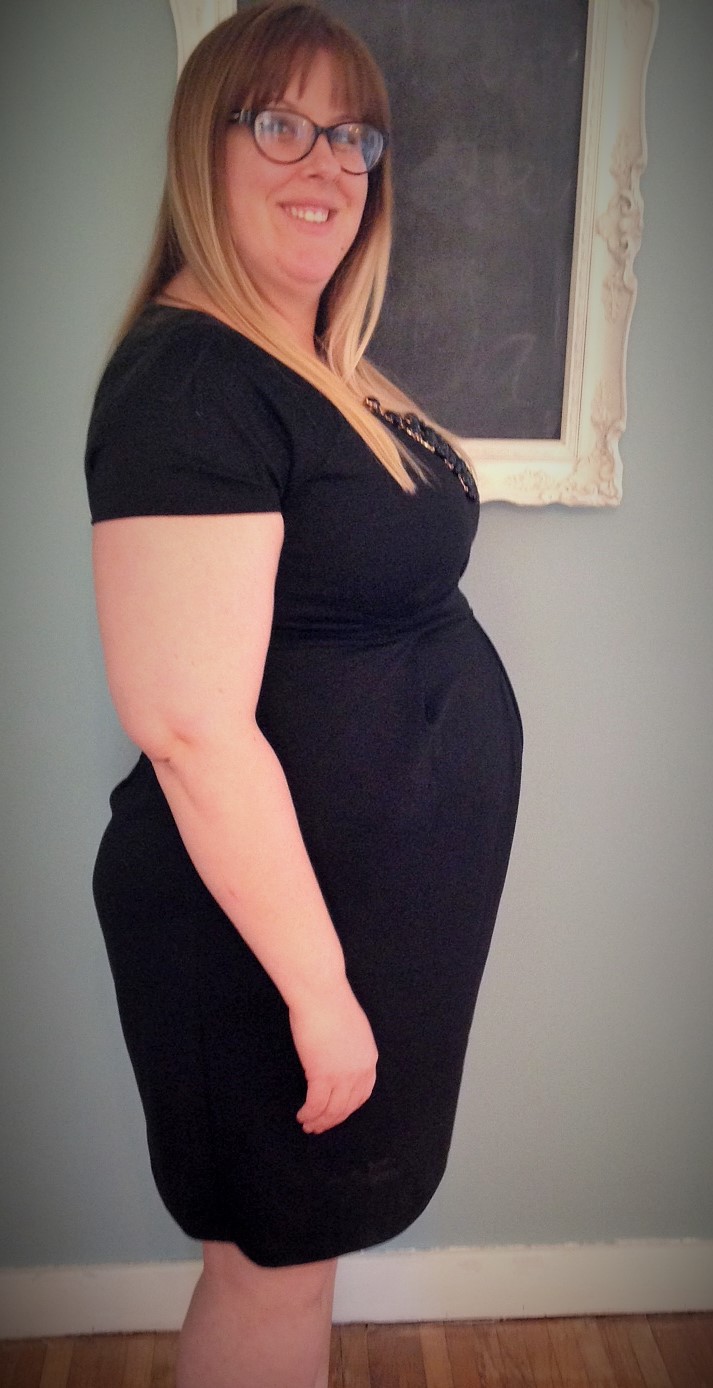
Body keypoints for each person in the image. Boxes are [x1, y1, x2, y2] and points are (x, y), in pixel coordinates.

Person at [85, 3, 523, 1385]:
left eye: (353, 136)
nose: (326, 163)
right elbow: (187, 727)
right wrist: (318, 991)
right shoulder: (194, 383)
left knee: (291, 1254)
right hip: (266, 939)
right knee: (273, 1258)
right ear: (201, 145)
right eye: (280, 123)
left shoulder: (305, 357)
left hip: (351, 911)